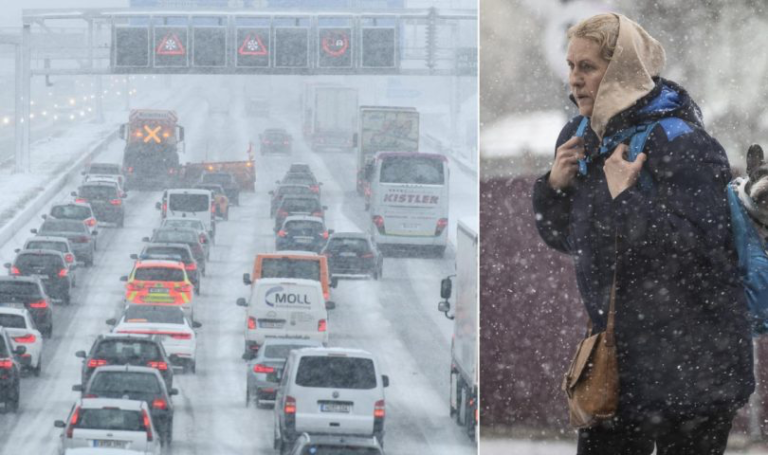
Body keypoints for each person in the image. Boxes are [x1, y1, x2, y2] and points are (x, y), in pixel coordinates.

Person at [531, 13, 755, 455]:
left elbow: (699, 251)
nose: (574, 80)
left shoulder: (683, 141)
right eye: (571, 66)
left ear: (621, 71)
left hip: (696, 367)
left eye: (588, 67)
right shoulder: (583, 138)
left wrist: (626, 197)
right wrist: (554, 189)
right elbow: (571, 241)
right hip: (619, 362)